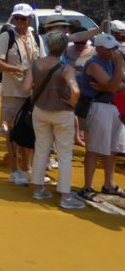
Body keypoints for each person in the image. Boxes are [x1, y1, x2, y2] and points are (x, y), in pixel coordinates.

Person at [22, 31, 85, 210]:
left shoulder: (36, 64)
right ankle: (65, 195)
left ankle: (38, 187)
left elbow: (26, 87)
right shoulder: (66, 68)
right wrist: (71, 102)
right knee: (64, 153)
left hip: (40, 110)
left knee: (41, 149)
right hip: (61, 112)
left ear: (48, 45)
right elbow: (76, 90)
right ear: (64, 47)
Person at [0, 4, 40, 185]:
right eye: (17, 18)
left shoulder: (35, 36)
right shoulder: (7, 36)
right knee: (12, 131)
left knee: (30, 131)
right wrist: (17, 69)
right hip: (13, 91)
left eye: (23, 18)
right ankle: (15, 169)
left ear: (30, 19)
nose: (19, 22)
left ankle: (28, 168)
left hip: (32, 92)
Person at [77, 33, 124, 201]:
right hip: (98, 106)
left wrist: (112, 85)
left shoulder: (110, 62)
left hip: (112, 107)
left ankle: (108, 183)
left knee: (112, 149)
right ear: (99, 48)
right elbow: (113, 86)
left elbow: (116, 85)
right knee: (94, 148)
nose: (114, 52)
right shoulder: (94, 64)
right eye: (110, 49)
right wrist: (117, 74)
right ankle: (87, 186)